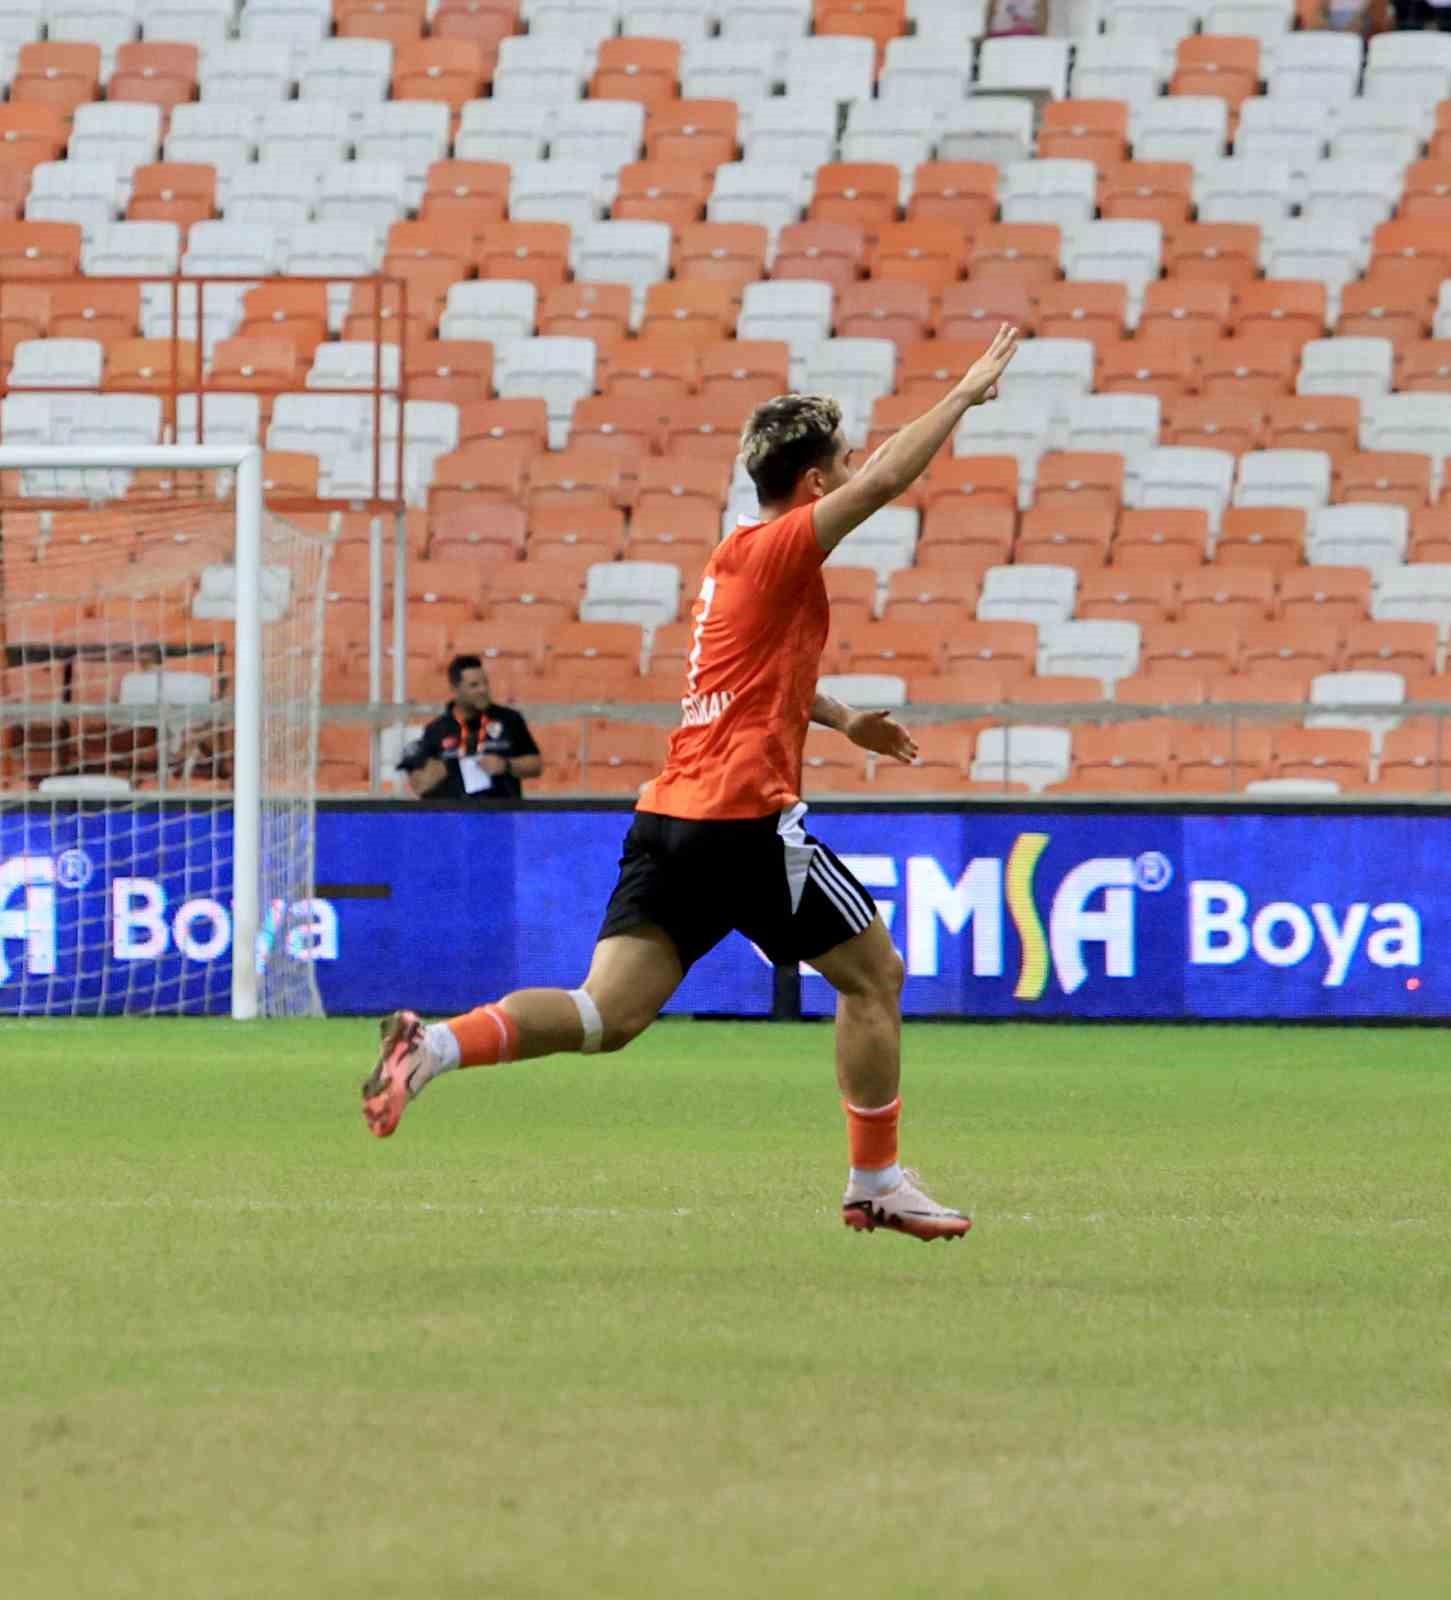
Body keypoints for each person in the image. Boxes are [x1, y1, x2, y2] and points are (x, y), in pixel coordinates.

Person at [362, 324, 1022, 1244]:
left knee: (607, 1013)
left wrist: (840, 721)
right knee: (875, 977)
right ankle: (874, 1179)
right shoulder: (784, 546)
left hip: (669, 818)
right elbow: (882, 484)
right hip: (745, 823)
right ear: (813, 484)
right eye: (835, 459)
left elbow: (760, 678)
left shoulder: (731, 558)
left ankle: (430, 1045)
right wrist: (958, 396)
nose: (845, 469)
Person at [396, 654, 542, 802]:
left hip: (501, 817)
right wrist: (443, 771)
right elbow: (420, 785)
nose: (483, 690)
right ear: (455, 689)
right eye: (474, 685)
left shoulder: (509, 719)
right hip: (456, 820)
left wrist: (507, 765)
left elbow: (536, 765)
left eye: (485, 683)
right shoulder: (436, 730)